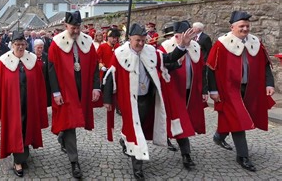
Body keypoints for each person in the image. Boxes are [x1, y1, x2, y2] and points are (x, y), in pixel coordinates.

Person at [102, 23, 195, 180]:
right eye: (138, 40)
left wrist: (182, 46)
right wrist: (107, 99)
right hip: (128, 101)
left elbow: (170, 58)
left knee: (141, 129)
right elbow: (110, 77)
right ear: (130, 38)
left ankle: (125, 141)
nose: (141, 43)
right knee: (135, 132)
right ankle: (137, 168)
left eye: (143, 40)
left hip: (147, 98)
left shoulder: (151, 52)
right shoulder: (120, 54)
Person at [207, 11, 276, 172]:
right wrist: (213, 90)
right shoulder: (222, 44)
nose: (245, 29)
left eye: (247, 26)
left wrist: (269, 84)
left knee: (238, 116)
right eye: (241, 26)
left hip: (251, 88)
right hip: (229, 90)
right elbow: (211, 68)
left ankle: (219, 136)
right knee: (239, 120)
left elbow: (265, 65)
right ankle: (243, 156)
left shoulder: (256, 42)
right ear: (232, 27)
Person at [48, 11, 101, 179]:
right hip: (65, 89)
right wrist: (56, 92)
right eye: (73, 28)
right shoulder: (56, 44)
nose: (76, 31)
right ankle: (74, 162)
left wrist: (96, 87)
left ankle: (62, 135)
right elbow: (51, 70)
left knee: (73, 121)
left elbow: (94, 66)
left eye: (78, 27)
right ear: (66, 26)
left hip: (83, 89)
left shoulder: (88, 42)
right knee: (70, 123)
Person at [0, 32, 49, 177]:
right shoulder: (4, 62)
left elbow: (40, 84)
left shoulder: (32, 60)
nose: (20, 47)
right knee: (16, 129)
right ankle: (18, 161)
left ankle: (23, 153)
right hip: (12, 104)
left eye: (23, 44)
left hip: (29, 101)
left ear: (27, 45)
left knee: (27, 127)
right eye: (17, 44)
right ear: (12, 45)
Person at [159, 20, 207, 170]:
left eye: (192, 35)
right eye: (187, 35)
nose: (190, 38)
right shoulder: (165, 47)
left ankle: (175, 141)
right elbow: (163, 67)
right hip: (172, 90)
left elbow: (201, 70)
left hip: (190, 90)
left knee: (184, 120)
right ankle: (186, 155)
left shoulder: (196, 47)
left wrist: (204, 90)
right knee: (180, 121)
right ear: (177, 35)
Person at [33, 39, 51, 107]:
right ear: (34, 47)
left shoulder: (46, 56)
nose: (40, 49)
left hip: (44, 83)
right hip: (34, 83)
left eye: (41, 47)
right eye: (38, 47)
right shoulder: (30, 57)